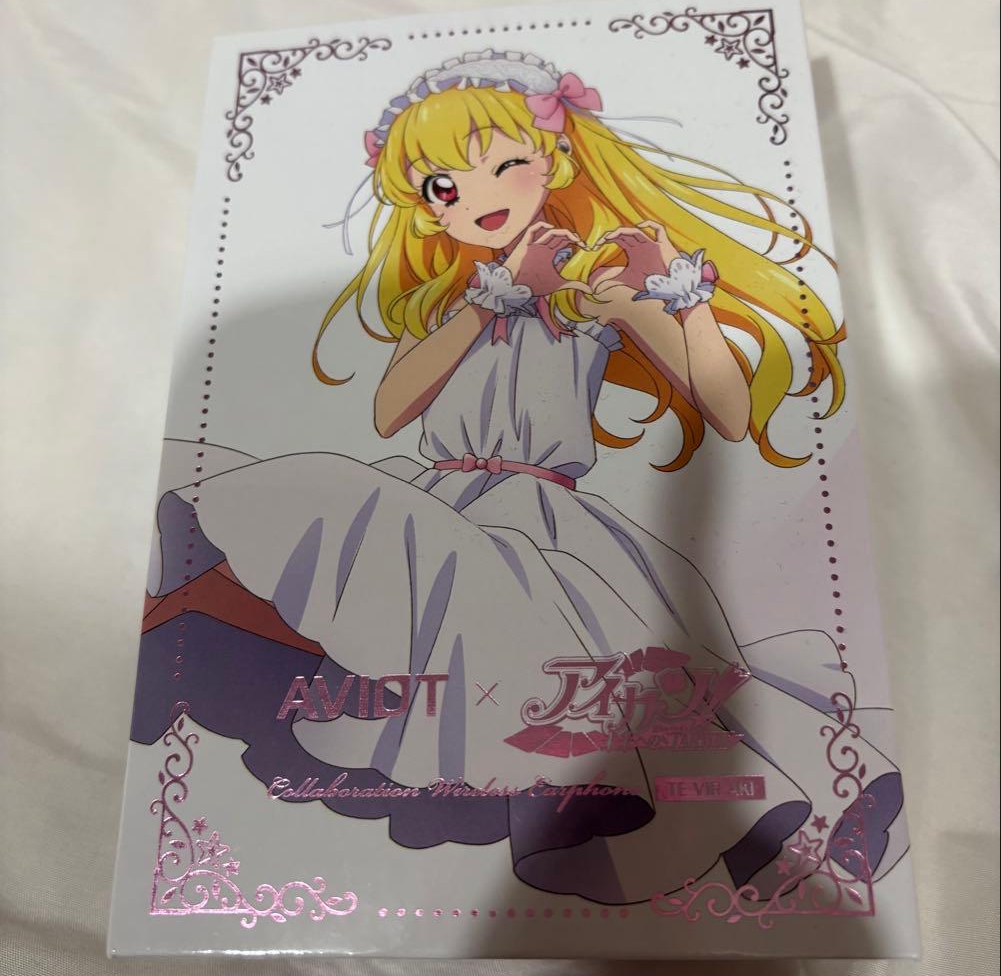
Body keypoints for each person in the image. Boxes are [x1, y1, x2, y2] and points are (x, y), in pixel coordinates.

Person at [141, 50, 905, 905]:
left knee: (611, 668)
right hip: (434, 494)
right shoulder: (446, 301)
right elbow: (391, 412)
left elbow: (726, 411)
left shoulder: (592, 294)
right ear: (425, 206)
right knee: (327, 495)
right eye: (444, 185)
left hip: (546, 519)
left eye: (506, 163)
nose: (478, 195)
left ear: (555, 160)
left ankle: (758, 815)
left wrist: (677, 297)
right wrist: (490, 298)